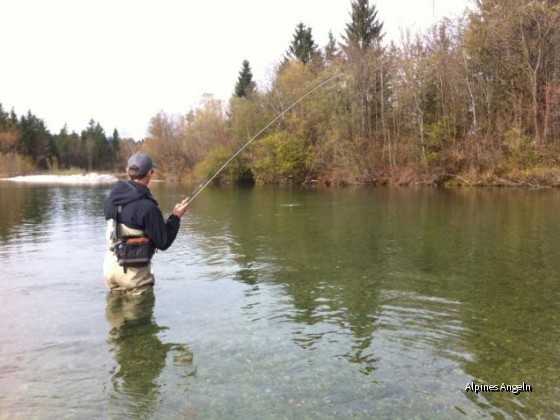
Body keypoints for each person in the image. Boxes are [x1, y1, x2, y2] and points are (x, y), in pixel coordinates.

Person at [103, 152, 189, 295]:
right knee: (139, 316)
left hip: (110, 269)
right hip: (133, 275)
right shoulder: (148, 207)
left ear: (127, 172)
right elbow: (163, 242)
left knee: (115, 315)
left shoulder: (111, 199)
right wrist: (175, 217)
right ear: (150, 172)